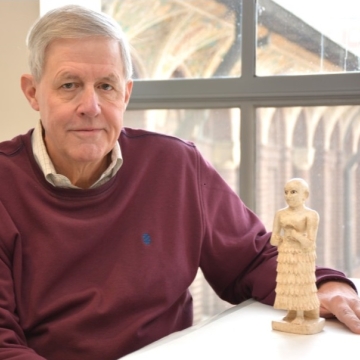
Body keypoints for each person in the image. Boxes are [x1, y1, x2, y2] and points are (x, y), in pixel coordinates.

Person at [0, 5, 359, 360]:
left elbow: (251, 260)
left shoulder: (176, 165)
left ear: (125, 94)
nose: (90, 106)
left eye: (106, 86)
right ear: (32, 92)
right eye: (69, 85)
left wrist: (324, 285)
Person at [271, 178, 321, 326]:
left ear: (305, 195)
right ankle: (291, 311)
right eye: (286, 192)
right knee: (288, 283)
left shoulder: (311, 215)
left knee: (300, 283)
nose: (288, 196)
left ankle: (301, 314)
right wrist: (277, 238)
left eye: (293, 192)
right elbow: (273, 239)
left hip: (302, 254)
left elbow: (310, 242)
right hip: (286, 252)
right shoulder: (280, 214)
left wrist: (295, 235)